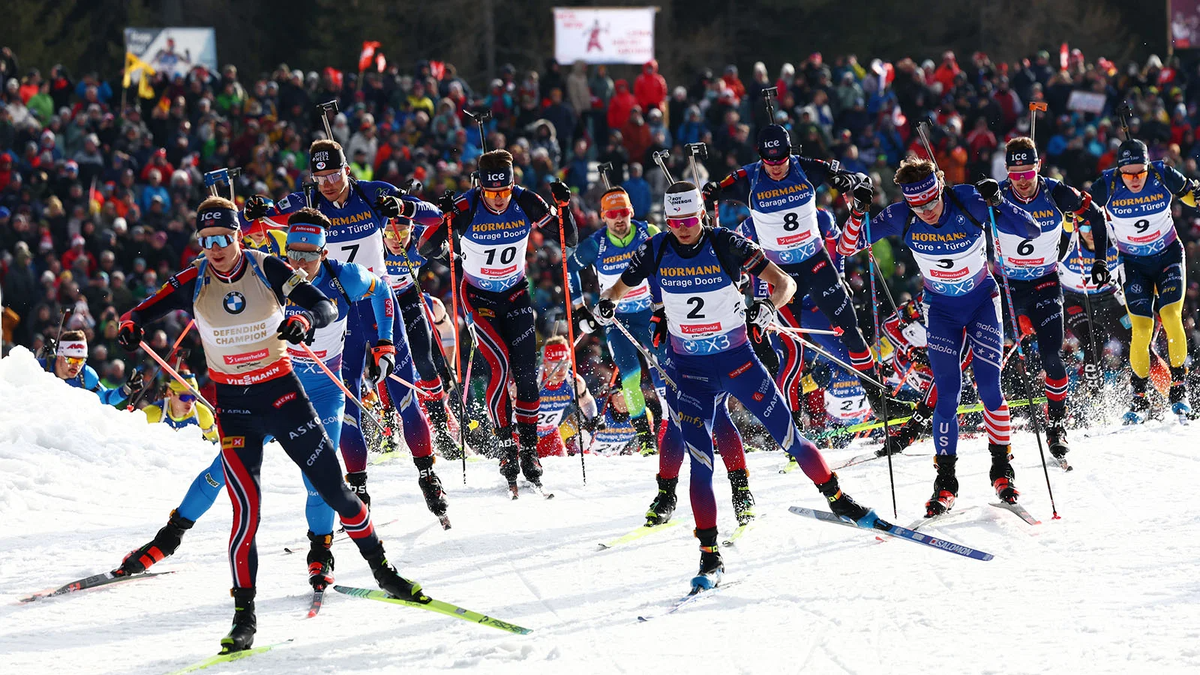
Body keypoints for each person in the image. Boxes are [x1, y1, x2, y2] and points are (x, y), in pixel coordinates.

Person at [115, 196, 424, 654]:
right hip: (236, 407)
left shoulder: (269, 268)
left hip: (285, 395)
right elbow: (141, 310)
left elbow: (324, 307)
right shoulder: (195, 278)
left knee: (333, 489)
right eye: (207, 240)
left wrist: (306, 319)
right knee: (246, 513)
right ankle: (244, 616)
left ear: (240, 235)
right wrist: (130, 323)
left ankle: (380, 570)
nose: (216, 247)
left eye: (223, 237)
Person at [597, 182, 879, 590]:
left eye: (690, 220)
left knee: (789, 436)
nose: (683, 229)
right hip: (688, 371)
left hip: (737, 361)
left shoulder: (725, 241)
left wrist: (767, 306)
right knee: (701, 463)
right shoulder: (655, 248)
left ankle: (839, 500)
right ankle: (709, 554)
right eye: (675, 222)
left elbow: (786, 284)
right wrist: (609, 301)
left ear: (702, 215)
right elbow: (619, 286)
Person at [244, 139, 446, 505]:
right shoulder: (307, 203)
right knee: (348, 400)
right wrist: (253, 210)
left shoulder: (371, 195)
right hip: (338, 313)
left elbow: (434, 214)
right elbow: (259, 219)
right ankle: (359, 487)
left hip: (377, 301)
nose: (328, 184)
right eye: (320, 178)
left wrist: (402, 206)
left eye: (334, 175)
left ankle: (427, 473)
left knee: (404, 395)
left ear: (347, 170)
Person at [838, 157, 1040, 517]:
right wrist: (857, 210)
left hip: (981, 302)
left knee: (990, 387)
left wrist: (999, 203)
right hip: (941, 311)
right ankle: (946, 482)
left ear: (941, 189)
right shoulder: (903, 215)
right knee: (948, 392)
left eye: (932, 202)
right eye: (919, 205)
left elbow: (1032, 231)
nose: (927, 212)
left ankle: (1002, 470)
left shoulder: (968, 199)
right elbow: (847, 246)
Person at [703, 121, 891, 418]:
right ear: (760, 156)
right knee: (792, 352)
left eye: (781, 160)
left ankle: (881, 402)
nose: (776, 168)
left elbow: (852, 177)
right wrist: (709, 191)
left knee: (852, 333)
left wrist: (848, 182)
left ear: (790, 153)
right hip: (779, 275)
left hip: (816, 263)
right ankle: (791, 425)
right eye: (769, 161)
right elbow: (713, 191)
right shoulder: (748, 178)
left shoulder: (805, 167)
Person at [418, 149, 579, 496]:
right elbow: (425, 248)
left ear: (512, 184)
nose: (498, 200)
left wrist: (565, 209)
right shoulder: (466, 206)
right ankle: (506, 445)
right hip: (478, 299)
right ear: (480, 186)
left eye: (503, 192)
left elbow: (569, 239)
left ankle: (529, 449)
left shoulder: (526, 201)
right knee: (500, 366)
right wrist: (444, 223)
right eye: (491, 194)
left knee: (525, 373)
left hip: (516, 294)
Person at [997, 136, 1109, 458]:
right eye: (1015, 175)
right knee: (991, 357)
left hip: (1045, 283)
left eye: (1028, 174)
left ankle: (1056, 426)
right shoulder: (997, 196)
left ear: (1038, 168)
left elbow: (1097, 216)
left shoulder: (1055, 192)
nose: (1021, 182)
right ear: (1007, 171)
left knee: (1052, 358)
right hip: (1006, 286)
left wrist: (1099, 260)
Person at [1087, 138, 1197, 422]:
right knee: (1142, 328)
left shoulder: (1161, 174)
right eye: (1128, 174)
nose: (1135, 180)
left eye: (1140, 172)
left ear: (1148, 166)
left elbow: (1189, 195)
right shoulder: (1108, 184)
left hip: (1168, 255)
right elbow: (1080, 210)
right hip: (1133, 262)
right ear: (1119, 171)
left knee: (1171, 315)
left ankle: (1179, 390)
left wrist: (1196, 194)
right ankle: (1139, 398)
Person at [568, 187, 664, 455]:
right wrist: (580, 309)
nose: (619, 219)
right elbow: (569, 267)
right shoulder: (595, 244)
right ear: (603, 217)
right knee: (630, 379)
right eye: (612, 214)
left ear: (631, 211)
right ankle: (645, 439)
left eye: (623, 212)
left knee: (663, 370)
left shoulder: (649, 233)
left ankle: (671, 425)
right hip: (617, 320)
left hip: (649, 313)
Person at [382, 213, 460, 456]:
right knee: (383, 363)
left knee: (425, 362)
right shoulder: (373, 242)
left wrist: (450, 366)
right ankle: (388, 429)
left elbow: (456, 260)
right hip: (379, 301)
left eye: (403, 234)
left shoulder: (420, 241)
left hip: (408, 297)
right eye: (390, 235)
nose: (397, 240)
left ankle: (442, 431)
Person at [1057, 221, 1130, 403]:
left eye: (1094, 226)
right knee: (1093, 337)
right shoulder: (1068, 239)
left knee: (1136, 338)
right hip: (1074, 299)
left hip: (1107, 297)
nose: (1090, 232)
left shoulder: (1114, 236)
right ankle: (1095, 396)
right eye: (1084, 227)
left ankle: (1142, 388)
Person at [37, 329, 142, 405]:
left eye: (81, 360)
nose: (76, 365)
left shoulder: (86, 375)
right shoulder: (39, 368)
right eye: (72, 359)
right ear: (59, 356)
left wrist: (126, 390)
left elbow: (106, 398)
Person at [530, 337, 597, 457]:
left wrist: (593, 418)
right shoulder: (533, 381)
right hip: (524, 435)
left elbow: (586, 402)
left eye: (566, 364)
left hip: (550, 434)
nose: (561, 370)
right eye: (555, 364)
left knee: (562, 468)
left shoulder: (574, 382)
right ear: (545, 362)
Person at [143, 371, 218, 441]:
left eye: (194, 397)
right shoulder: (152, 413)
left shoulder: (203, 414)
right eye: (184, 397)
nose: (190, 402)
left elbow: (216, 444)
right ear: (170, 394)